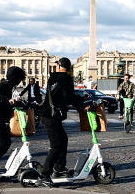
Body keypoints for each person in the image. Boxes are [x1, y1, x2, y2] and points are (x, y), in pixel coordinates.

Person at [35, 57, 84, 187]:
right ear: (68, 68)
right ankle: (44, 175)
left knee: (63, 139)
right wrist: (82, 104)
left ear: (59, 66)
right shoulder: (66, 79)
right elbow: (67, 97)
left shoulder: (52, 78)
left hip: (48, 114)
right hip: (51, 115)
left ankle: (59, 168)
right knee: (56, 145)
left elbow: (60, 95)